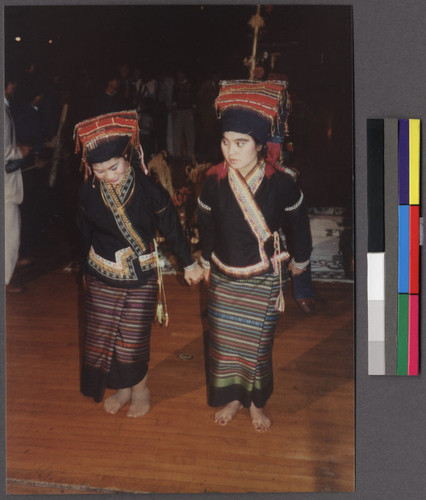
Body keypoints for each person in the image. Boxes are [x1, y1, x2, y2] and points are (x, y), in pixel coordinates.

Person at [197, 80, 312, 431]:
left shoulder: (282, 182)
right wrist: (204, 260)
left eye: (241, 143)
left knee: (258, 347)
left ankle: (256, 403)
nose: (230, 151)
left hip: (264, 275)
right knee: (224, 342)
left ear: (261, 146)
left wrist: (301, 259)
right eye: (226, 142)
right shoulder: (213, 180)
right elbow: (207, 226)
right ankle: (233, 398)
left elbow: (299, 223)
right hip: (223, 273)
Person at [74, 110, 203, 417]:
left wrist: (188, 264)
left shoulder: (148, 189)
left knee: (132, 339)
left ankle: (140, 389)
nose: (109, 175)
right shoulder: (87, 193)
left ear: (127, 156)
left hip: (140, 276)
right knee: (107, 337)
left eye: (114, 166)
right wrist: (83, 271)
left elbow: (171, 226)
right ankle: (121, 390)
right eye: (99, 169)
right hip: (101, 274)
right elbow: (83, 234)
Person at [4, 74, 30, 293]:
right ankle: (5, 282)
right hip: (6, 186)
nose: (15, 86)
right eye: (13, 82)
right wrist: (19, 151)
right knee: (10, 233)